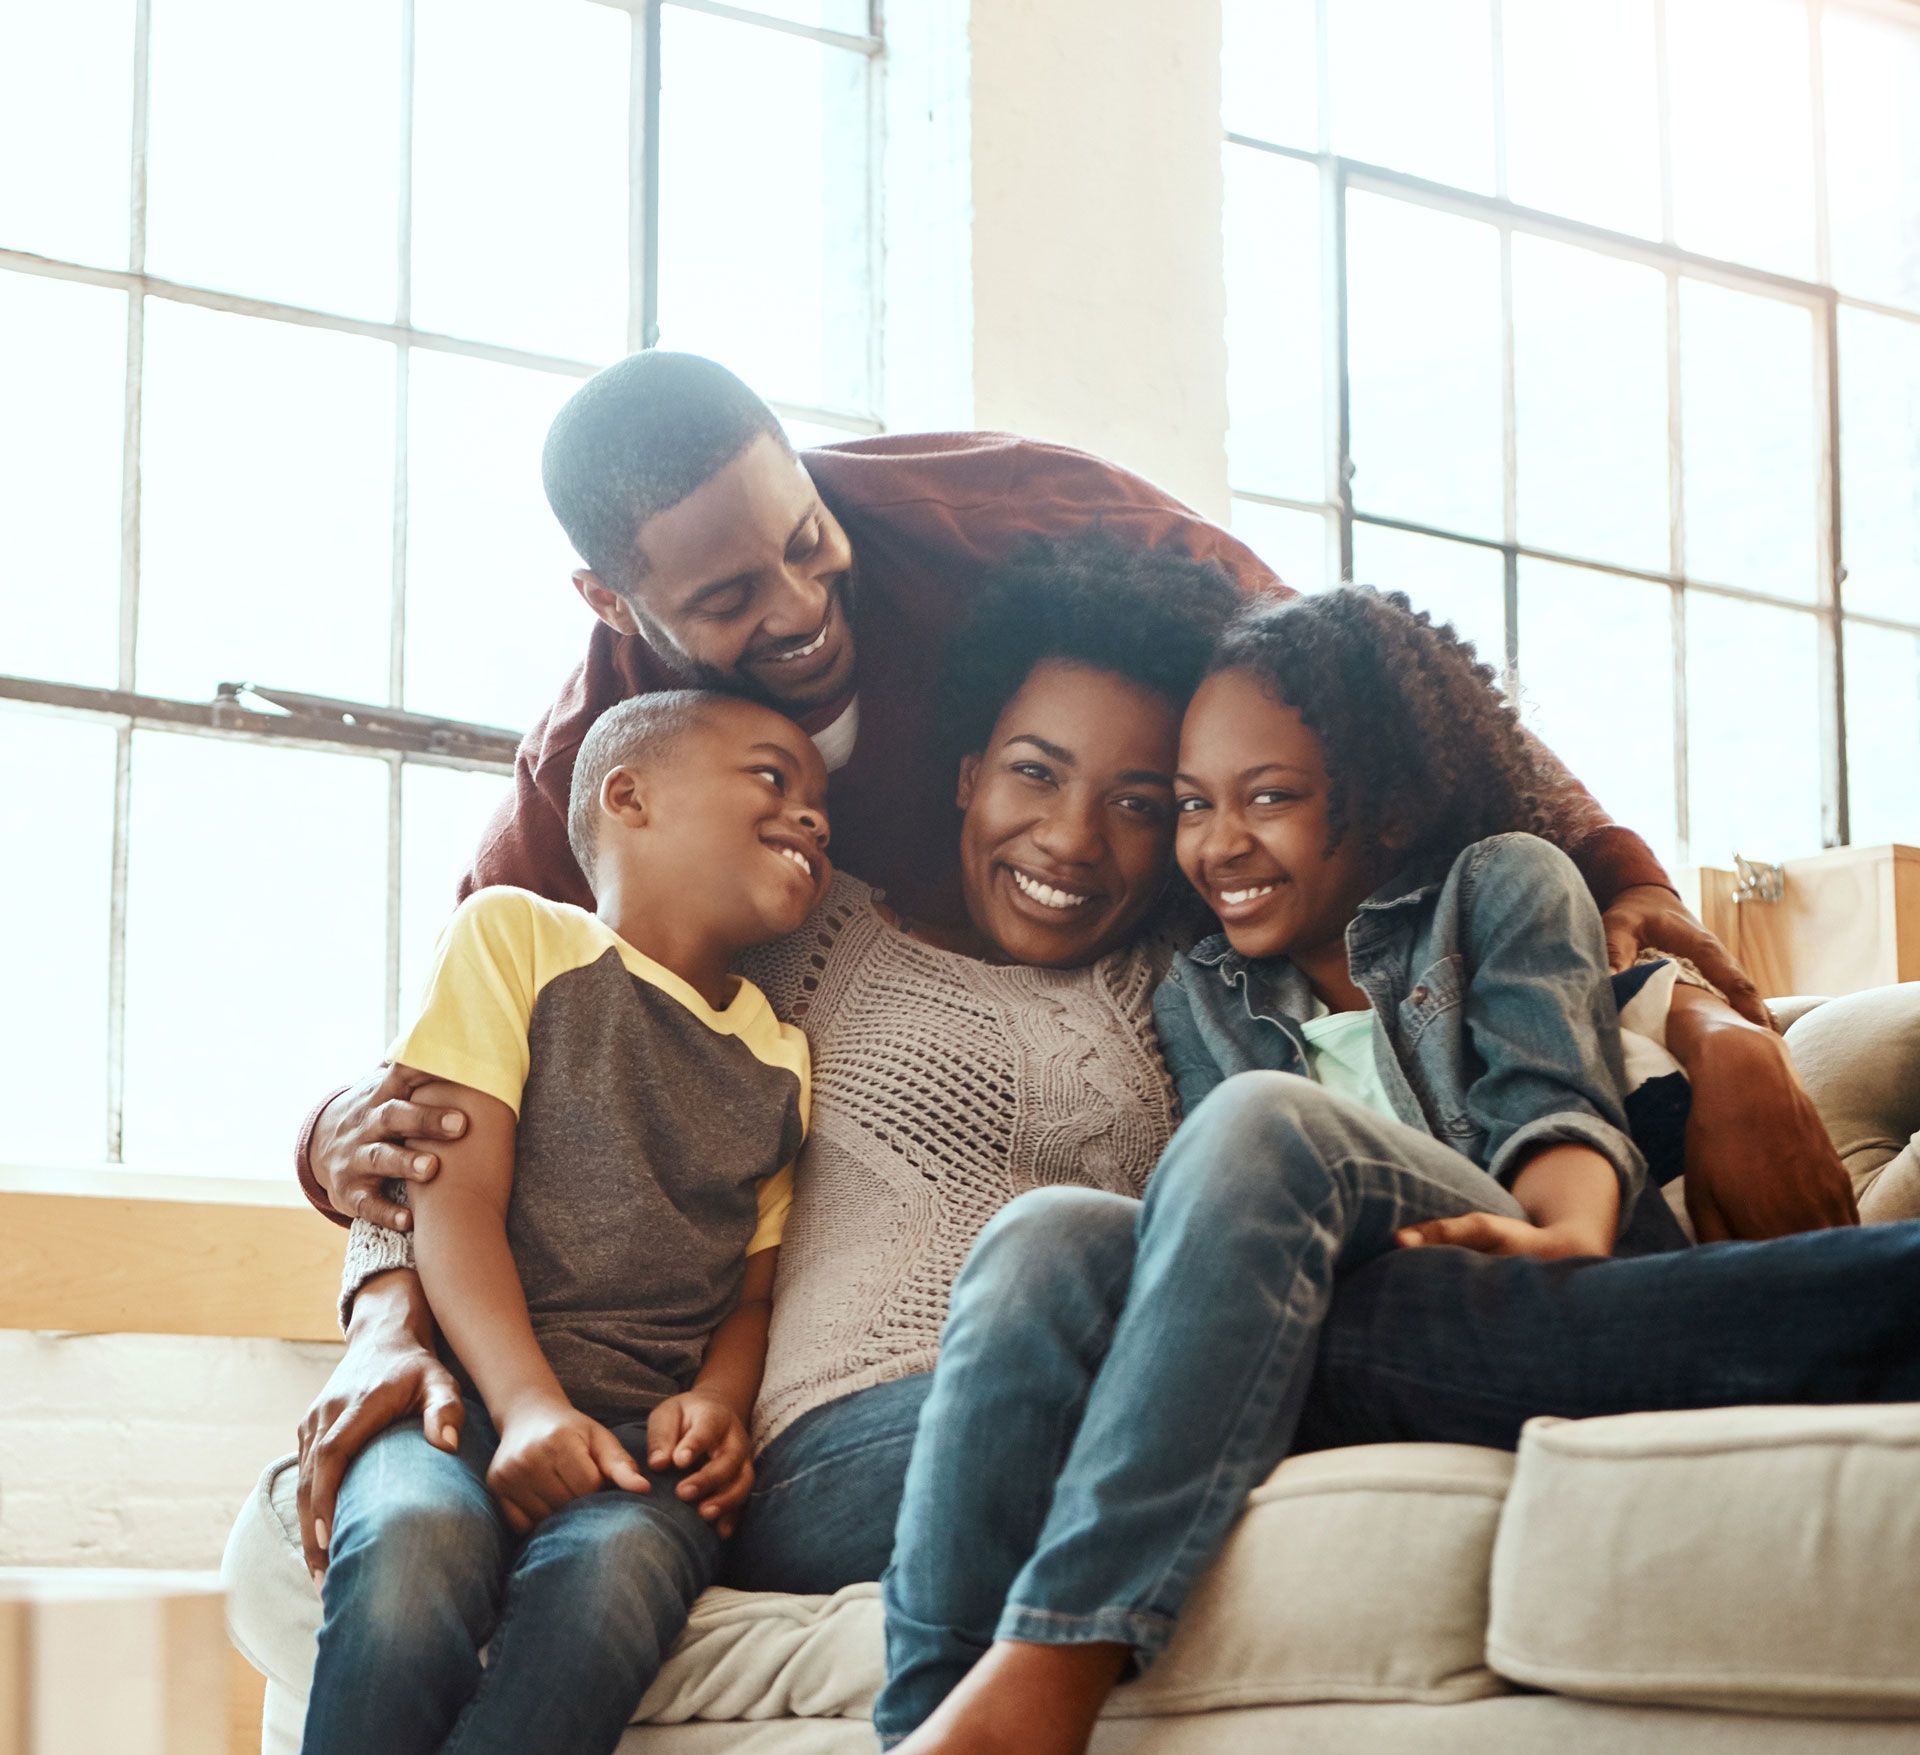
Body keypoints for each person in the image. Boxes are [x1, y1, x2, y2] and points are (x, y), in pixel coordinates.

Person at [697, 588, 1920, 1755]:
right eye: (1194, 806)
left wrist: (1577, 1219)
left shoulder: (1496, 884)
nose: (1213, 842)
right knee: (1040, 1244)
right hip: (1347, 1303)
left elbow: (1554, 1095)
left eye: (1262, 799)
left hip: (1533, 1254)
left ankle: (1030, 1707)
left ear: (1384, 806)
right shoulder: (1204, 985)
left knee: (1269, 1131)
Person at [296, 350, 1836, 1285]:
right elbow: (457, 1065)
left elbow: (1356, 683)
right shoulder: (604, 765)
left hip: (1215, 1006)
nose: (800, 606)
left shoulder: (1006, 507)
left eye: (806, 540)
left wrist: (1650, 923)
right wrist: (337, 1165)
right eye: (725, 598)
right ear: (611, 597)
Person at [194, 694, 831, 1755]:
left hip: (637, 1461)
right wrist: (526, 1406)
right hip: (460, 1401)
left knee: (609, 1581)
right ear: (627, 800)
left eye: (820, 801)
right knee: (412, 1560)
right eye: (769, 779)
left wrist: (723, 1407)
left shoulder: (785, 1059)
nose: (809, 813)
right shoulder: (520, 943)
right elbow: (450, 1205)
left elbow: (748, 1296)